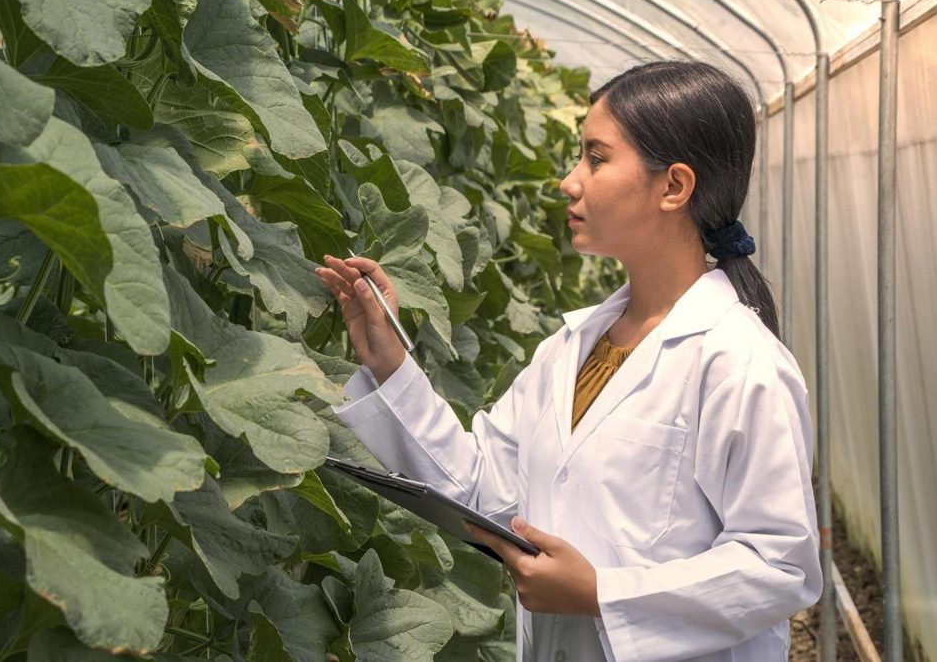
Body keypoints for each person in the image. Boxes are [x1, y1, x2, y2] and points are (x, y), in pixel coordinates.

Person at [316, 60, 822, 662]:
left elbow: (779, 565)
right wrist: (390, 363)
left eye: (596, 158)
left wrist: (604, 594)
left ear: (674, 187)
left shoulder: (740, 362)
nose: (569, 181)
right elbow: (482, 486)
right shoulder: (573, 348)